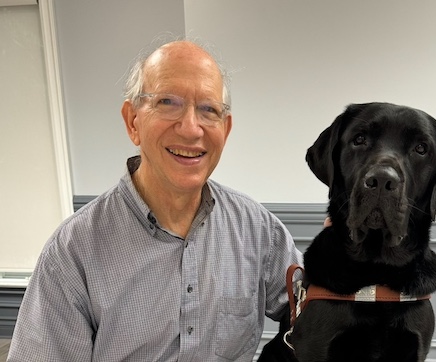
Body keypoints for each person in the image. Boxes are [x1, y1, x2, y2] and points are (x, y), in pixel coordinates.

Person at [7, 40, 303, 361]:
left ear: (225, 129)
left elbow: (319, 312)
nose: (191, 129)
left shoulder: (258, 231)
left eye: (208, 109)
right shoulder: (73, 253)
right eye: (167, 102)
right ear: (132, 121)